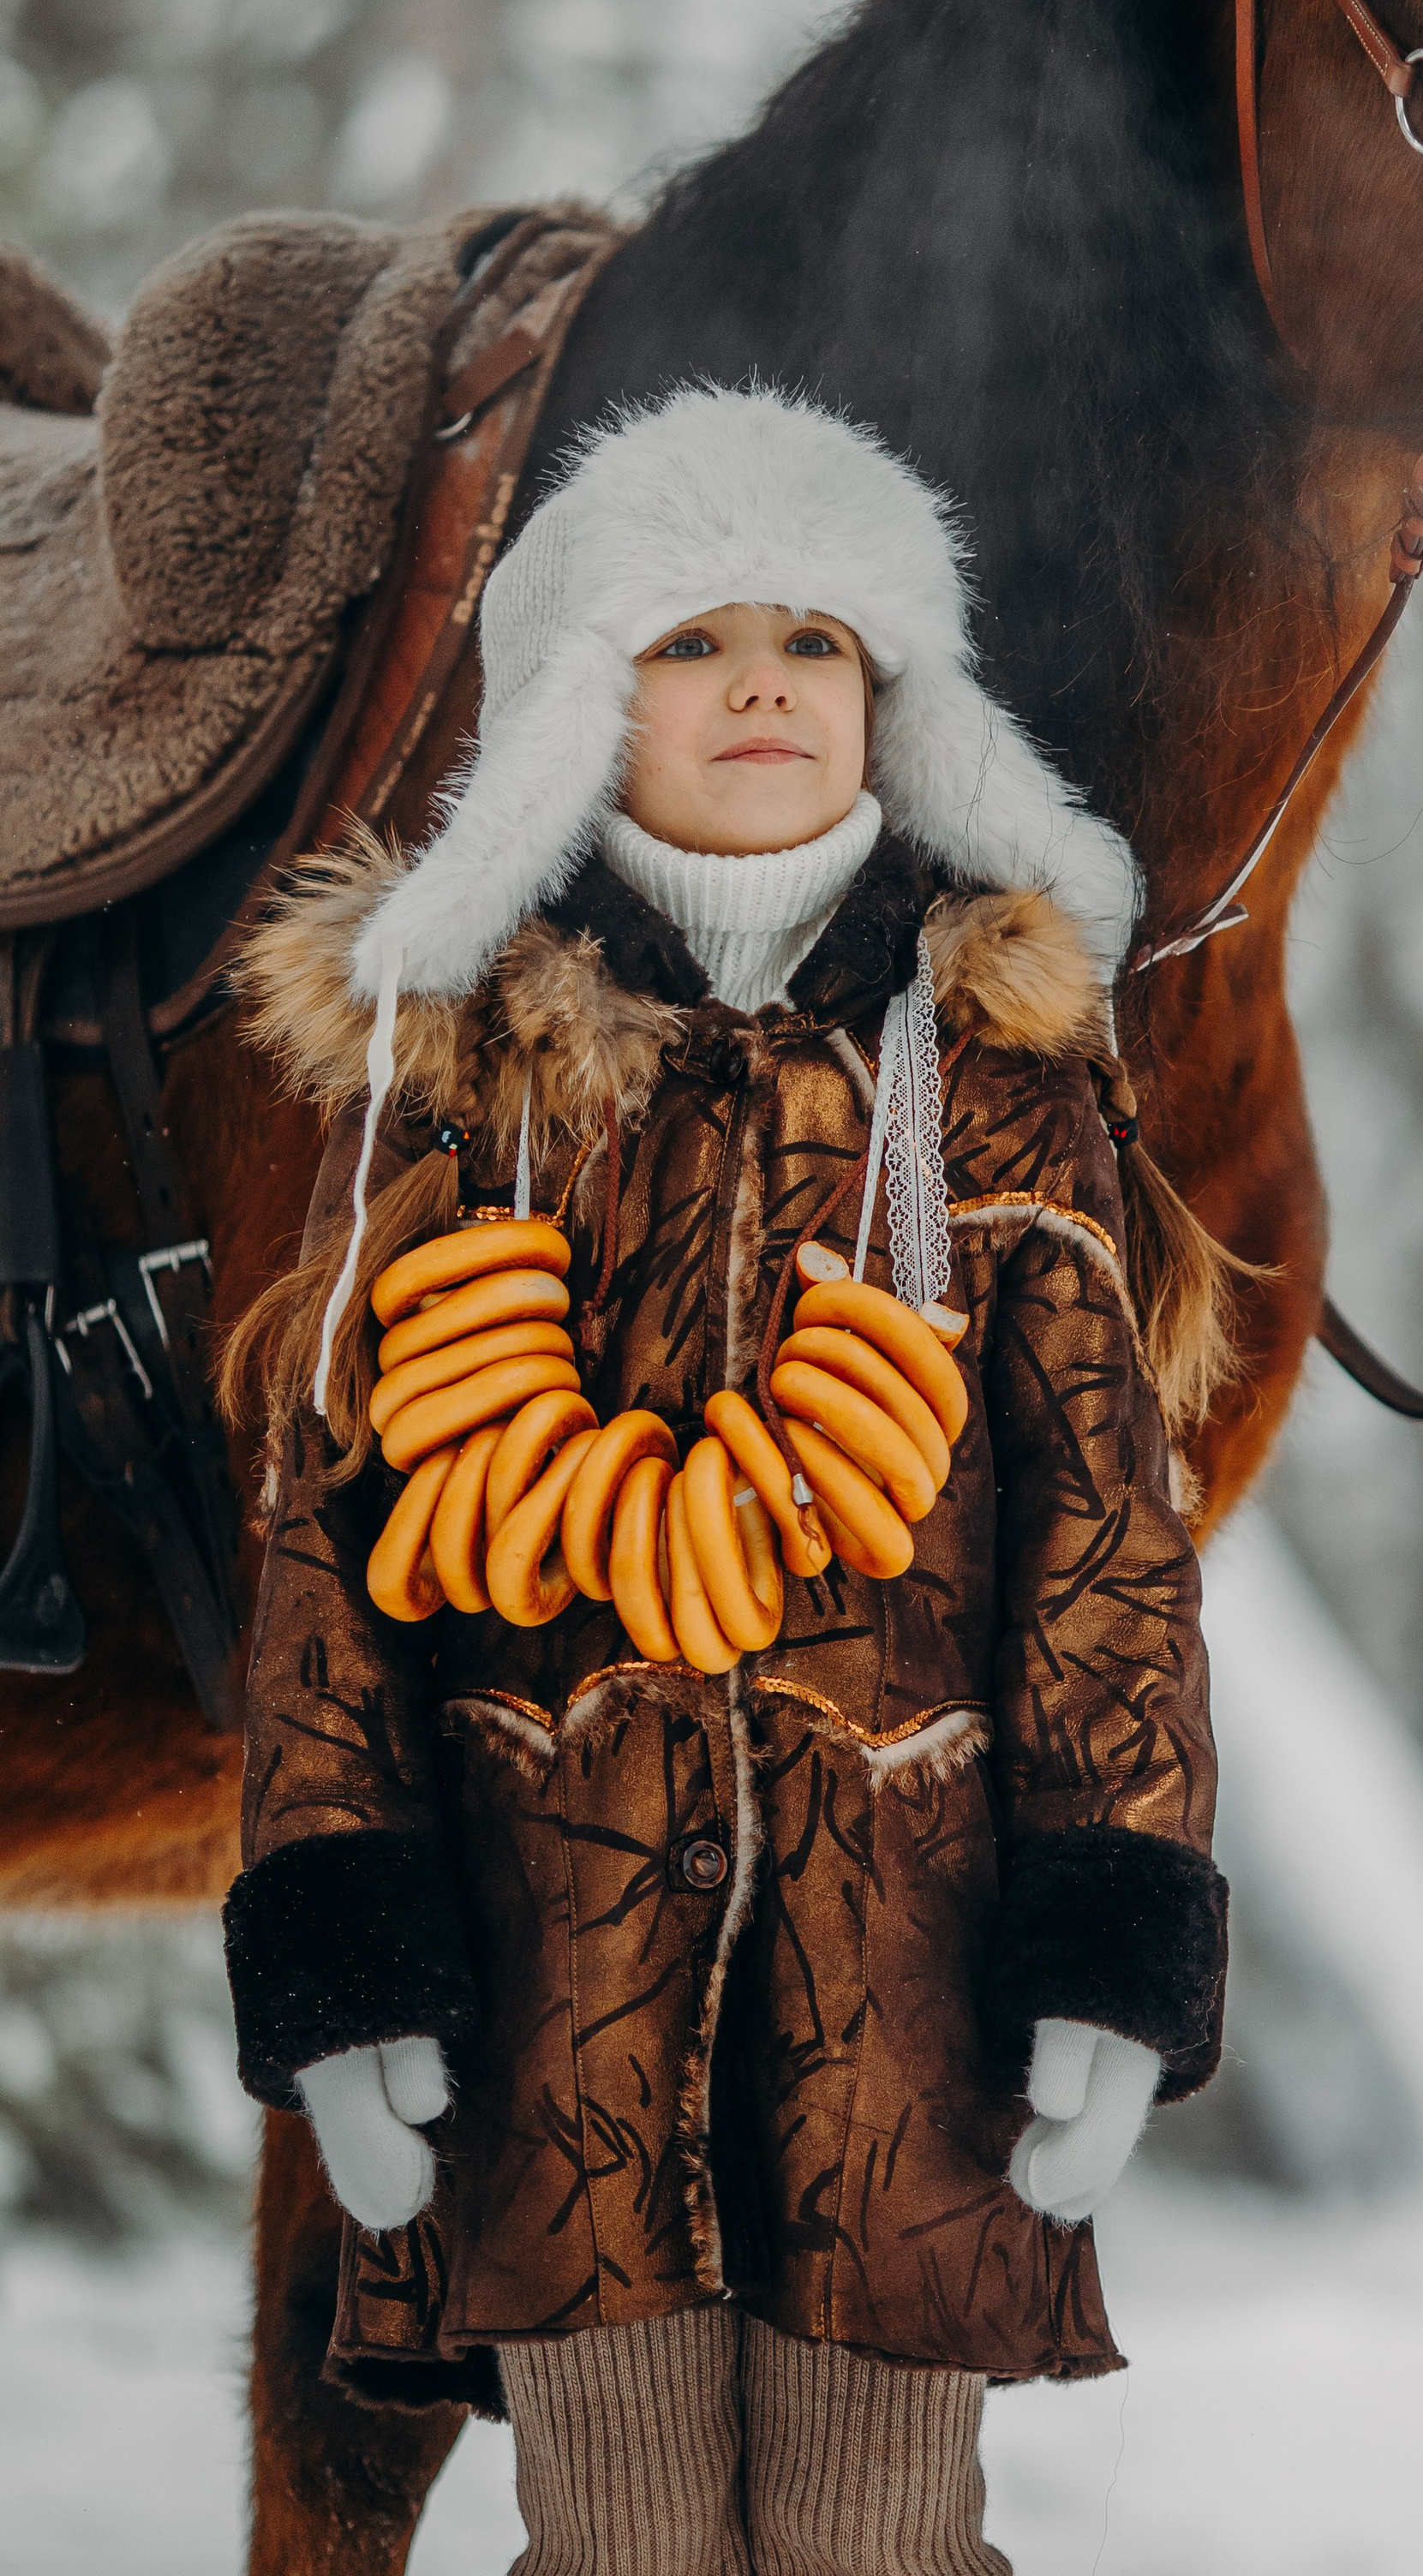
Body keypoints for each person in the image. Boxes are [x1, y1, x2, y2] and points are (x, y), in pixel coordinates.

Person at [218, 385, 1230, 2576]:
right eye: (688, 637)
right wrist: (340, 1939)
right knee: (621, 2535)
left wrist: (1114, 1929)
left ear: (902, 708)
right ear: (584, 702)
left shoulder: (999, 1096)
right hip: (549, 1981)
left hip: (917, 2002)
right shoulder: (455, 1093)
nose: (760, 678)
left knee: (881, 2536)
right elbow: (329, 1552)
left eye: (815, 637)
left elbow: (1105, 1556)